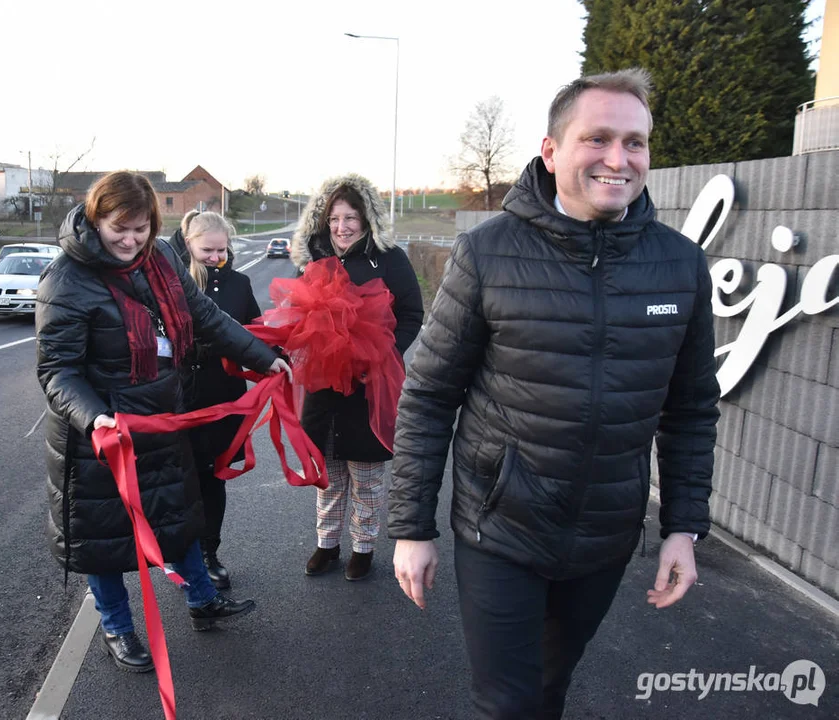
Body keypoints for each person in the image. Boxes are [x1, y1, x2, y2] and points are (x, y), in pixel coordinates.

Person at [388, 68, 721, 718]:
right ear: (551, 151)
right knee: (505, 703)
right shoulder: (487, 253)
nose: (617, 159)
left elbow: (689, 410)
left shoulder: (678, 265)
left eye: (635, 142)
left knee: (548, 689)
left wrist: (682, 526)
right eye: (597, 138)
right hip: (499, 531)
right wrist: (410, 525)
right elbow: (428, 393)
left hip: (604, 532)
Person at [35, 172, 290, 674]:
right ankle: (117, 627)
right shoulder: (66, 278)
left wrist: (263, 358)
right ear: (95, 219)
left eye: (141, 228)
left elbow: (206, 317)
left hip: (159, 421)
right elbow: (56, 371)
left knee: (178, 520)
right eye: (119, 228)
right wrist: (97, 419)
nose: (131, 240)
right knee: (104, 542)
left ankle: (201, 601)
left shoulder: (163, 259)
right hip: (101, 437)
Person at [292, 174, 423, 581]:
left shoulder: (389, 258)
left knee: (365, 476)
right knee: (327, 476)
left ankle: (363, 548)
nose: (341, 227)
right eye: (334, 218)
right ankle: (326, 545)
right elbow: (298, 315)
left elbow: (411, 315)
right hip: (323, 387)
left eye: (350, 217)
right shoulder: (313, 257)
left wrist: (383, 354)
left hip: (369, 387)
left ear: (367, 220)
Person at [179, 209, 263, 590]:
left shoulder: (240, 284)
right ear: (189, 243)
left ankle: (209, 554)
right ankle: (185, 554)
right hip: (178, 401)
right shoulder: (171, 283)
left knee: (214, 480)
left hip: (225, 400)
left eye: (221, 251)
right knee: (183, 480)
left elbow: (256, 335)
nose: (215, 257)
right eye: (206, 250)